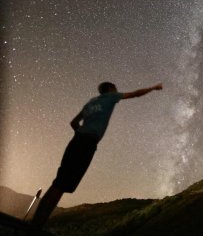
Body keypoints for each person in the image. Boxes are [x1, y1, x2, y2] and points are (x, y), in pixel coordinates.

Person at [31, 82, 163, 228]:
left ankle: (35, 222)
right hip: (87, 143)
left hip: (76, 141)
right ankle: (37, 226)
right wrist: (152, 88)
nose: (117, 90)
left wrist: (80, 133)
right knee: (62, 184)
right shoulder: (111, 97)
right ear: (111, 89)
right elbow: (135, 94)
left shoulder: (90, 102)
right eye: (115, 88)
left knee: (58, 182)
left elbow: (74, 122)